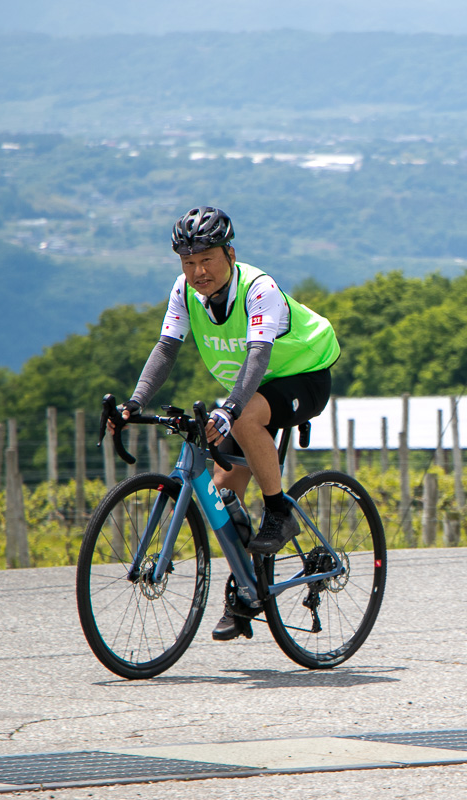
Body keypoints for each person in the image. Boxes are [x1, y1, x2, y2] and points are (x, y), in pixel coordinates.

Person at [110, 206, 339, 641]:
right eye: (188, 262)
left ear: (230, 254)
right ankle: (248, 591)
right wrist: (134, 401)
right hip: (251, 389)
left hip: (303, 376)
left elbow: (258, 355)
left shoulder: (259, 288)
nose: (198, 271)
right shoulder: (185, 292)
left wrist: (229, 409)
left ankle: (279, 513)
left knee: (247, 416)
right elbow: (166, 349)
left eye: (207, 260)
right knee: (221, 495)